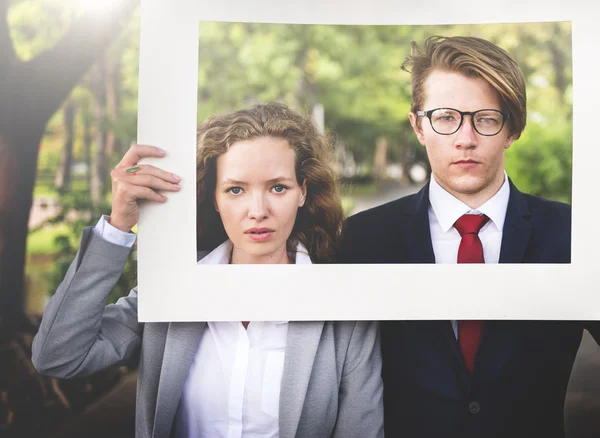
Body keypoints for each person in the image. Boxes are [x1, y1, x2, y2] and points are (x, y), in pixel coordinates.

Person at [32, 103, 384, 438]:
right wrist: (119, 225)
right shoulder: (175, 289)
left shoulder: (342, 306)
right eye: (235, 190)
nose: (258, 210)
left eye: (278, 187)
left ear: (303, 192)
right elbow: (59, 355)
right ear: (214, 198)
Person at [337, 36, 600, 438]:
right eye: (445, 117)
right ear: (418, 126)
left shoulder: (576, 234)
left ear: (512, 128)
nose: (465, 138)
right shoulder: (361, 240)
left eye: (486, 118)